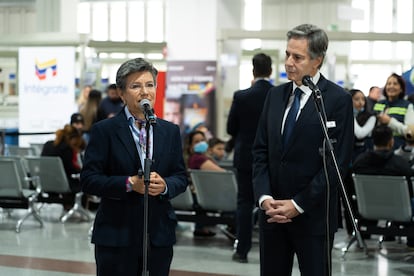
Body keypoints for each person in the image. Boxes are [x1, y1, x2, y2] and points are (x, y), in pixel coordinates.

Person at [252, 24, 353, 275]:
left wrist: (297, 204)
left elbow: (336, 163)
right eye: (287, 54)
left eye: (297, 57)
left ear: (317, 60)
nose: (288, 62)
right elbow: (260, 152)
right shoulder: (275, 96)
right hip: (273, 216)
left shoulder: (337, 99)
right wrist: (265, 199)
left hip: (313, 218)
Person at [80, 58, 188, 276]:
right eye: (135, 86)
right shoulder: (105, 130)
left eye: (150, 85)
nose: (145, 92)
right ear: (121, 93)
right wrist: (129, 184)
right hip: (116, 235)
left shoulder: (170, 131)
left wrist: (166, 185)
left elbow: (181, 176)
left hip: (158, 235)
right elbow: (89, 179)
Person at [226, 52, 273, 263]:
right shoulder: (278, 95)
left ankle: (241, 251)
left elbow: (230, 128)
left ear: (253, 71)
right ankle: (272, 251)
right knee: (272, 202)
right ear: (271, 71)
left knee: (244, 203)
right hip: (272, 158)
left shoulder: (241, 96)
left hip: (245, 157)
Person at [352, 125, 414, 247]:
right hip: (400, 211)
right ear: (391, 141)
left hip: (368, 210)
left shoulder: (360, 163)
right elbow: (410, 191)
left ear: (373, 141)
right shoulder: (400, 165)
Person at [184, 130, 225, 237]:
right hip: (204, 196)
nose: (201, 143)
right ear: (190, 146)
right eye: (196, 141)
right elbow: (223, 174)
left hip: (201, 195)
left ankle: (200, 227)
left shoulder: (193, 158)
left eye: (202, 140)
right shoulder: (199, 158)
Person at [41, 124, 86, 210]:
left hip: (45, 184)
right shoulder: (66, 149)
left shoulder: (47, 145)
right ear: (73, 138)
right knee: (83, 182)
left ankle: (68, 207)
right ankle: (77, 209)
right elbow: (71, 170)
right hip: (62, 185)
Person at [374, 73, 414, 149]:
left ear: (401, 89)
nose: (391, 86)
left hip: (398, 150)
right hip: (377, 151)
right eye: (389, 84)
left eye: (395, 84)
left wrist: (390, 122)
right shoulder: (378, 104)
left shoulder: (407, 106)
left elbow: (410, 133)